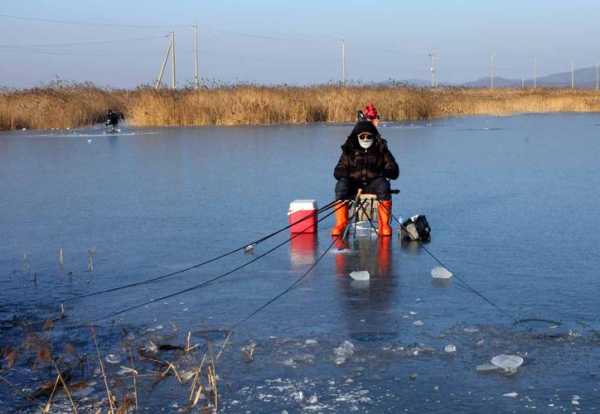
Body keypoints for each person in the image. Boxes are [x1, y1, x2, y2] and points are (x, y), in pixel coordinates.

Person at [331, 103, 399, 237]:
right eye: (362, 136)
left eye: (368, 136)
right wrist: (347, 176)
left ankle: (384, 225)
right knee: (341, 185)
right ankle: (341, 224)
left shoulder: (381, 146)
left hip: (374, 184)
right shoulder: (349, 148)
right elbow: (337, 170)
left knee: (383, 185)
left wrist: (382, 173)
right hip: (354, 184)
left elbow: (394, 169)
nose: (366, 139)